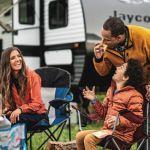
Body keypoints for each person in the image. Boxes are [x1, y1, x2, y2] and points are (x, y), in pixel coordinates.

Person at [93, 16, 150, 149]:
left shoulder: (145, 37)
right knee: (123, 123)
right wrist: (98, 58)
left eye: (107, 39)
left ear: (119, 37)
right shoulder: (106, 43)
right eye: (103, 38)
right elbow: (103, 72)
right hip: (125, 88)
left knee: (144, 124)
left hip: (145, 86)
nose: (103, 42)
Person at [76, 58, 145, 150]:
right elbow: (103, 113)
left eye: (121, 67)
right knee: (79, 136)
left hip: (121, 137)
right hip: (107, 132)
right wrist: (94, 100)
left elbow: (137, 120)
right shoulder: (111, 90)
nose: (116, 67)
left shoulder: (135, 96)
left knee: (89, 139)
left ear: (126, 77)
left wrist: (119, 121)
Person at [0, 47, 48, 133]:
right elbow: (10, 103)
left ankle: (20, 146)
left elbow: (37, 103)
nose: (18, 59)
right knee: (4, 119)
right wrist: (8, 110)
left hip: (38, 115)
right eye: (13, 58)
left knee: (18, 119)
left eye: (19, 56)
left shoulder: (32, 75)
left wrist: (20, 110)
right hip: (21, 114)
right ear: (6, 62)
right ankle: (5, 145)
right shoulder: (7, 80)